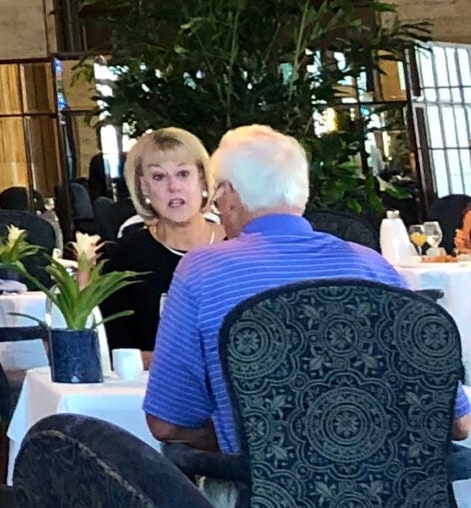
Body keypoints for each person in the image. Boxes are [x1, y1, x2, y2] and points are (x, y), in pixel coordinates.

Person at [144, 125, 471, 452]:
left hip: (264, 493)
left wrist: (257, 435)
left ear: (228, 194)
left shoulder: (202, 271)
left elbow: (167, 423)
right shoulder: (374, 268)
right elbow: (457, 422)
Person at [100, 127, 222, 351]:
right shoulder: (123, 258)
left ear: (203, 180)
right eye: (159, 176)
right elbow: (119, 352)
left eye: (183, 174)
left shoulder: (237, 244)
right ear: (144, 187)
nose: (173, 187)